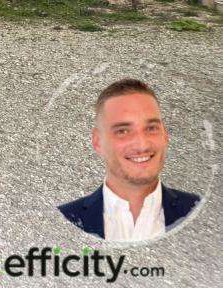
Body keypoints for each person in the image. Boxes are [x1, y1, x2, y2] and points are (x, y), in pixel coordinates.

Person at [58, 78, 200, 241]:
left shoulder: (203, 212)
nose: (141, 144)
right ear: (98, 141)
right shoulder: (62, 221)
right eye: (123, 131)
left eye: (151, 128)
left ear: (165, 135)